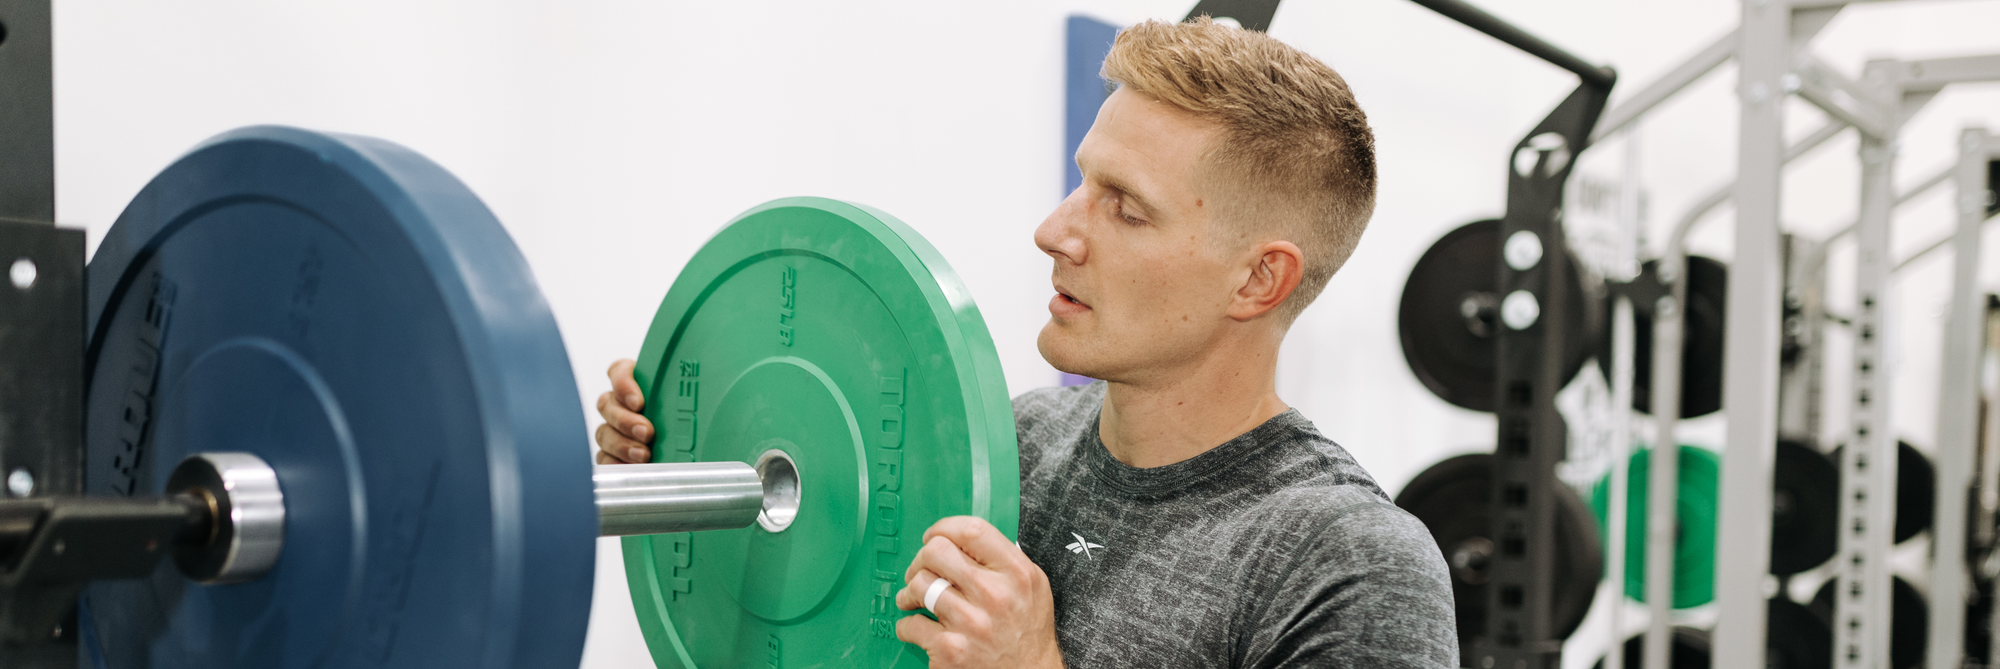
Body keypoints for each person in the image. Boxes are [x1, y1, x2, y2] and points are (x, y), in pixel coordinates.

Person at [595, 17, 1456, 669]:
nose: (1055, 231)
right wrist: (688, 465)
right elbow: (802, 613)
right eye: (1083, 183)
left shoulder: (1350, 563)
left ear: (1257, 280)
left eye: (1125, 206)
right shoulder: (1008, 444)